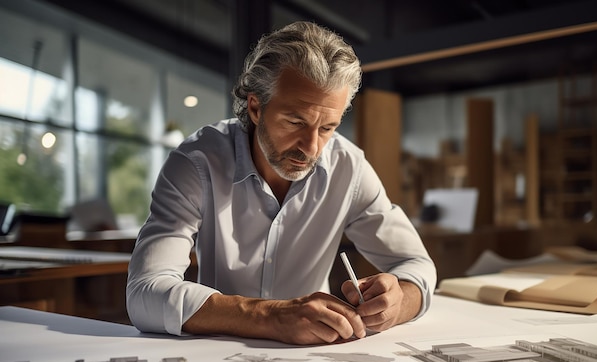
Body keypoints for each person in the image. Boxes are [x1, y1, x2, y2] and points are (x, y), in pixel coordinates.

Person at [126, 21, 436, 345]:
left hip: (317, 360)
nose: (312, 147)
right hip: (218, 357)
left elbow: (416, 265)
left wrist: (399, 301)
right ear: (256, 107)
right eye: (295, 122)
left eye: (328, 127)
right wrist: (271, 316)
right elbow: (145, 293)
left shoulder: (350, 168)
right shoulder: (196, 163)